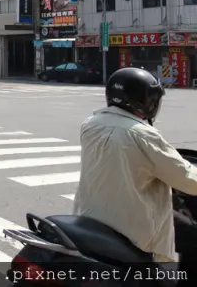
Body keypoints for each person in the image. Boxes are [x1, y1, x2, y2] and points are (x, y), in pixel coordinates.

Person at [74, 67, 197, 273]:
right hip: (131, 227)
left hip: (92, 217)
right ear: (143, 101)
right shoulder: (142, 134)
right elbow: (188, 180)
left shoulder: (90, 124)